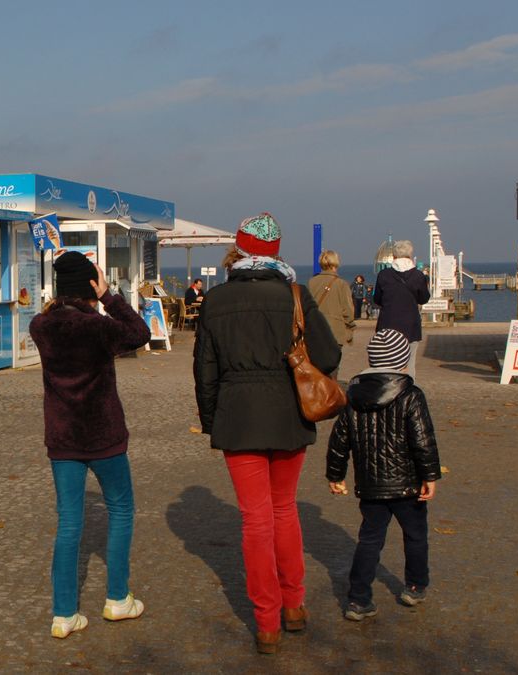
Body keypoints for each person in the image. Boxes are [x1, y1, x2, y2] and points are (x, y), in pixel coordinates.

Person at [194, 213, 341, 655]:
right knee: (284, 511)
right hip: (288, 417)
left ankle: (266, 623)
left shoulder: (216, 301)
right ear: (275, 252)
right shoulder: (294, 295)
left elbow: (204, 371)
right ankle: (293, 605)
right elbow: (330, 353)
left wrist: (211, 421)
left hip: (237, 419)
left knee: (255, 519)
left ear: (237, 251)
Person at [29, 251, 152, 639]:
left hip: (63, 436)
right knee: (120, 510)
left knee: (69, 523)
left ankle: (63, 613)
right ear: (89, 286)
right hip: (104, 434)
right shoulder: (99, 327)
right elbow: (140, 333)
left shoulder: (40, 326)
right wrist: (109, 296)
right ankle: (118, 598)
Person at [326, 328, 442, 621]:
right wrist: (430, 476)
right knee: (415, 535)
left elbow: (340, 441)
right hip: (408, 484)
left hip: (371, 483)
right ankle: (415, 586)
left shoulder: (353, 396)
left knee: (370, 539)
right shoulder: (411, 395)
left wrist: (336, 474)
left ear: (371, 359)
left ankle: (358, 599)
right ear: (403, 362)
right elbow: (423, 440)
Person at [372, 240, 430, 377]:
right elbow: (424, 298)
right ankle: (407, 392)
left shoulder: (384, 275)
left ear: (394, 256)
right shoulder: (418, 276)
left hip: (387, 325)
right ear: (410, 255)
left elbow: (377, 299)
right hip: (410, 326)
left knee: (385, 363)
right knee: (409, 364)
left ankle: (386, 390)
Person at [306, 250, 356, 347]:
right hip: (335, 331)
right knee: (332, 360)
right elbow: (348, 310)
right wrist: (351, 327)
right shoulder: (341, 284)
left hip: (314, 329)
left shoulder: (311, 282)